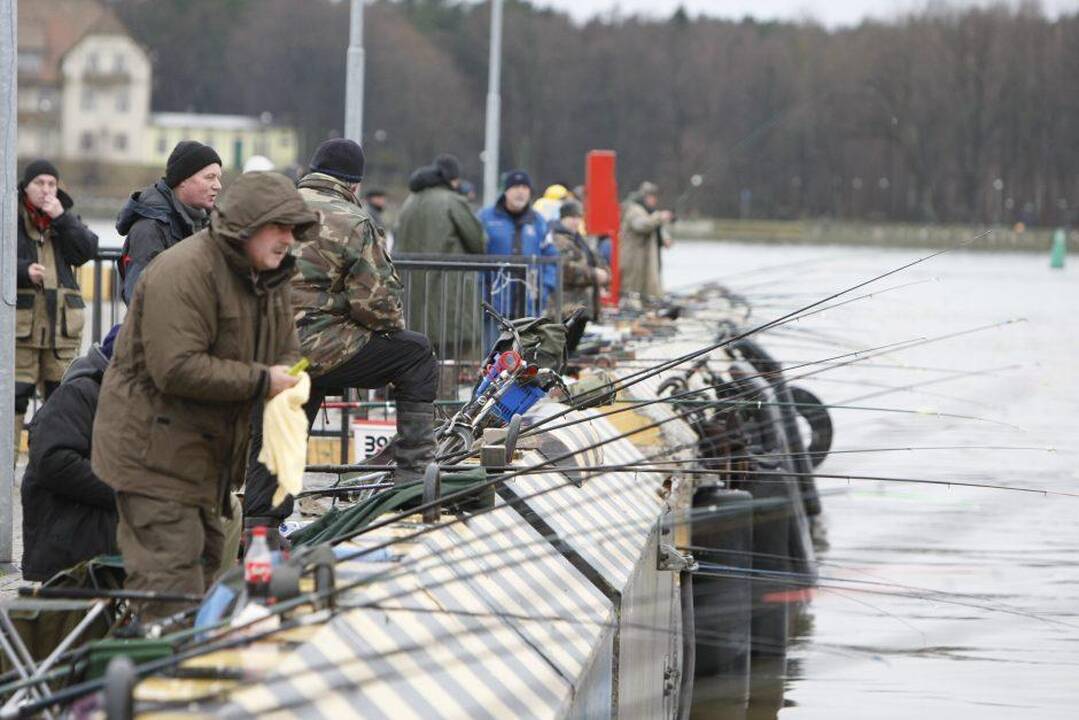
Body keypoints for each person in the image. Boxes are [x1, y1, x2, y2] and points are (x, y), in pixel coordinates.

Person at [92, 172, 316, 621]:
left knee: (211, 590)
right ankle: (152, 684)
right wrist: (261, 382)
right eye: (280, 228)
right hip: (153, 457)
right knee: (170, 596)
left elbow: (287, 353)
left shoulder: (268, 278)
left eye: (295, 229)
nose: (289, 240)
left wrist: (294, 381)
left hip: (207, 465)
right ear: (248, 226)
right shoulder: (182, 272)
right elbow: (174, 368)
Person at [279, 139, 437, 499]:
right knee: (416, 354)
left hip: (266, 350)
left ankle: (262, 524)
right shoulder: (354, 220)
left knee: (278, 431)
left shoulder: (274, 209)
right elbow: (378, 306)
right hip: (315, 350)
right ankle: (412, 481)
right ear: (354, 184)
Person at [21, 326, 120, 582]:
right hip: (72, 547)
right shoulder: (79, 394)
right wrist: (124, 489)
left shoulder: (124, 400)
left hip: (100, 537)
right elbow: (53, 461)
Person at [15, 160, 99, 449]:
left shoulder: (63, 217)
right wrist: (23, 271)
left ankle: (47, 473)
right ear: (26, 187)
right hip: (20, 332)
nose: (47, 190)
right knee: (13, 402)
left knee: (60, 404)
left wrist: (62, 218)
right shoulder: (10, 216)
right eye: (40, 183)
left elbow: (87, 250)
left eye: (52, 184)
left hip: (60, 333)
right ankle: (6, 474)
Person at [394, 154, 487, 355]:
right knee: (452, 362)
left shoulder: (409, 203)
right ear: (453, 179)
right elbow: (477, 242)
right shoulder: (452, 201)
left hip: (412, 300)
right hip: (449, 298)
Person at [115, 140, 222, 303]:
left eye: (218, 178)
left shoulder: (212, 225)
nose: (218, 186)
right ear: (183, 180)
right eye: (210, 177)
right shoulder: (149, 229)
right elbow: (139, 297)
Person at [478, 170, 558, 326]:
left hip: (529, 305)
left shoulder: (538, 221)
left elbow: (551, 257)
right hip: (494, 304)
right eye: (515, 187)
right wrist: (482, 289)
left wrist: (545, 288)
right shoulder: (485, 218)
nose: (520, 192)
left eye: (525, 187)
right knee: (494, 350)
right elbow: (473, 251)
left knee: (524, 349)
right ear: (506, 191)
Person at [548, 200, 609, 350]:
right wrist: (594, 275)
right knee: (563, 347)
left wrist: (605, 274)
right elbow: (565, 269)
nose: (576, 221)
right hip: (565, 306)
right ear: (563, 218)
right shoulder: (558, 239)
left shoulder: (579, 239)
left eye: (578, 217)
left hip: (582, 306)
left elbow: (596, 260)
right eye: (572, 217)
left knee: (572, 347)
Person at [619, 181, 673, 303]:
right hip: (633, 262)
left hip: (645, 263)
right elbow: (641, 225)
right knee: (631, 294)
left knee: (646, 294)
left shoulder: (648, 212)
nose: (654, 200)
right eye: (652, 197)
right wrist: (660, 217)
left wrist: (665, 238)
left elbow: (655, 228)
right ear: (645, 197)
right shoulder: (634, 210)